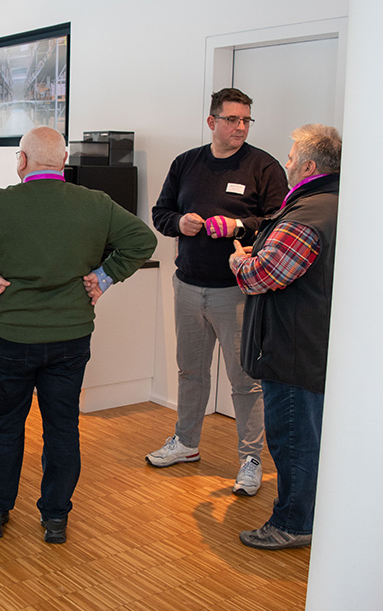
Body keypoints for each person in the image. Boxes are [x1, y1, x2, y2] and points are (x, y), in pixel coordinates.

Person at [0, 127, 156, 543]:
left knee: (4, 425)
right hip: (70, 338)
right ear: (64, 161)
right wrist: (104, 277)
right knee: (61, 428)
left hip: (12, 337)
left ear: (22, 161)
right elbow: (142, 239)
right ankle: (55, 517)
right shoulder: (95, 203)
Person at [149, 87, 288, 496]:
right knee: (190, 372)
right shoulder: (186, 163)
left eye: (246, 120)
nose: (240, 127)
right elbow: (161, 213)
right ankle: (187, 443)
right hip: (189, 285)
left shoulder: (264, 166)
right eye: (232, 120)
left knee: (245, 379)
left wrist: (240, 228)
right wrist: (181, 224)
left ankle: (250, 459)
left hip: (238, 292)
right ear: (212, 122)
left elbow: (279, 224)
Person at [230, 124, 341, 550]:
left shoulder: (310, 214)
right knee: (307, 439)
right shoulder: (332, 204)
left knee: (293, 440)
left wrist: (240, 261)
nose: (287, 163)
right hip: (309, 344)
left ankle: (293, 524)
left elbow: (265, 274)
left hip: (292, 350)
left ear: (310, 166)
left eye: (292, 157)